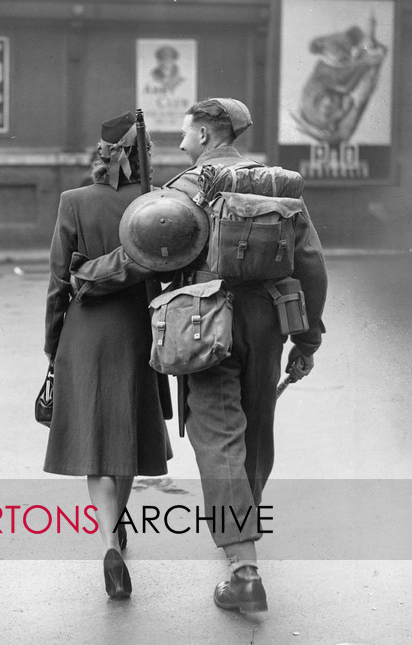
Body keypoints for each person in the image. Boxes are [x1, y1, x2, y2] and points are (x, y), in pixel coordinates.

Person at [70, 98, 328, 613]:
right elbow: (311, 263)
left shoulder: (190, 188)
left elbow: (141, 257)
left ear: (208, 136)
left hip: (205, 322)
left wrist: (86, 276)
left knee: (218, 436)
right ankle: (241, 535)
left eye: (187, 135)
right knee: (255, 432)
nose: (182, 143)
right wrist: (308, 337)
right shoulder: (276, 183)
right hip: (268, 321)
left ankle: (243, 567)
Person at [44, 110, 171, 599]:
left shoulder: (72, 202)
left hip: (83, 333)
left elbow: (58, 282)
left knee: (95, 440)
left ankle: (108, 541)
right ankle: (117, 530)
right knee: (126, 436)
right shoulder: (155, 204)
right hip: (137, 330)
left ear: (100, 157)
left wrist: (53, 345)